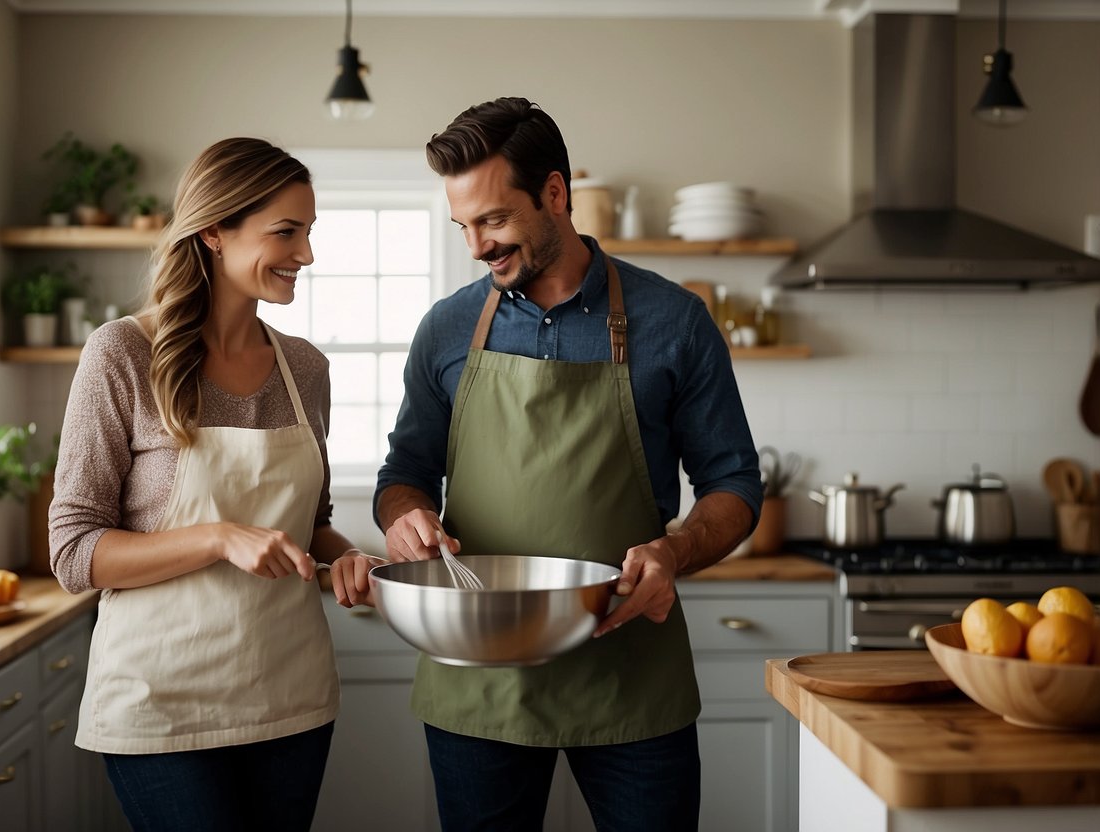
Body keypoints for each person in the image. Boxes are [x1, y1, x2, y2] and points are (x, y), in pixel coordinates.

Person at [370, 97, 763, 830]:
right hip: (478, 679)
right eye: (463, 226)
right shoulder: (447, 328)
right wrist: (404, 519)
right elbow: (404, 474)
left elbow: (734, 484)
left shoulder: (674, 322)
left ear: (555, 194)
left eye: (492, 220)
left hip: (629, 673)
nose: (476, 246)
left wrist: (674, 551)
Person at [48, 137, 374, 832]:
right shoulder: (123, 354)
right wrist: (217, 538)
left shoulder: (305, 369)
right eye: (285, 232)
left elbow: (310, 522)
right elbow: (74, 555)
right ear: (214, 232)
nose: (306, 254)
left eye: (308, 232)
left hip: (289, 694)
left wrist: (344, 554)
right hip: (160, 702)